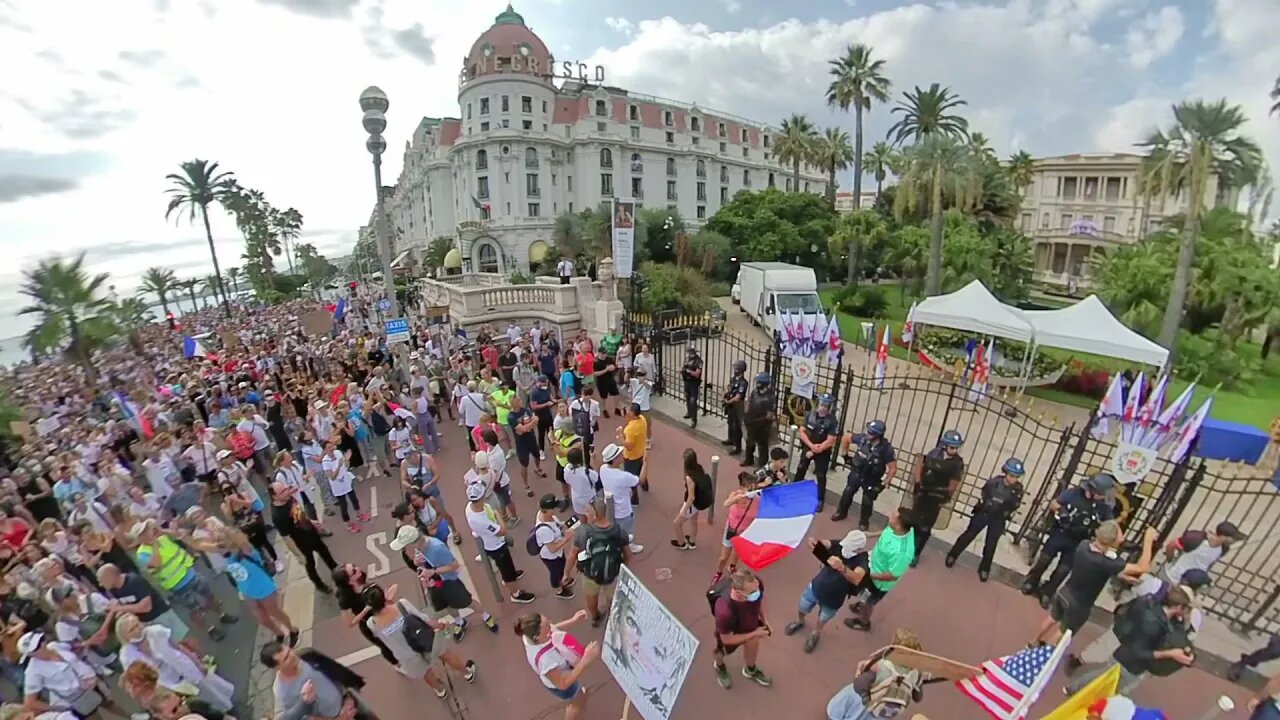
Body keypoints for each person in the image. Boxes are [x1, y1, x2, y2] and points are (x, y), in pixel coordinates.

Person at [1031, 520, 1158, 648]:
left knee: (1052, 618)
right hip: (1079, 606)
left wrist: (1121, 574)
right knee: (1063, 632)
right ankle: (1044, 656)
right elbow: (1143, 567)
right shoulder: (1106, 562)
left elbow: (1098, 570)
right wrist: (1148, 541)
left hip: (1065, 592)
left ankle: (1033, 641)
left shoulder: (1084, 545)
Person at [1064, 585, 1196, 696]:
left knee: (1100, 676)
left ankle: (1073, 689)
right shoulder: (1155, 625)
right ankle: (1078, 695)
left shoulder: (1148, 604)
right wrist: (1170, 654)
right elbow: (1139, 652)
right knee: (1108, 688)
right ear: (1179, 606)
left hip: (1122, 650)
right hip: (1129, 665)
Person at [361, 583, 478, 699]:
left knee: (425, 672)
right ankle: (467, 673)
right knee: (446, 655)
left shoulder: (372, 623)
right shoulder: (402, 605)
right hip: (426, 640)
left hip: (407, 655)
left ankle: (440, 691)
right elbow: (423, 618)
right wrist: (438, 625)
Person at [130, 518, 236, 641]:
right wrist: (153, 543)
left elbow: (178, 535)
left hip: (191, 574)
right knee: (195, 610)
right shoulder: (142, 554)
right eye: (143, 532)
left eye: (147, 529)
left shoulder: (162, 538)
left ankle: (222, 615)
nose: (148, 532)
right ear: (139, 538)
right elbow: (157, 563)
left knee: (210, 596)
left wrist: (162, 530)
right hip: (177, 585)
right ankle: (210, 629)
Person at [390, 523, 499, 635]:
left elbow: (454, 565)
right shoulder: (415, 550)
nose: (404, 550)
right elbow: (420, 565)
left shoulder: (437, 548)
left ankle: (485, 616)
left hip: (449, 582)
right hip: (434, 584)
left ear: (414, 543)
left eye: (405, 547)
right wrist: (416, 563)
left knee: (468, 602)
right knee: (447, 605)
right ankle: (460, 622)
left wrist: (433, 571)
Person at [786, 530, 870, 654]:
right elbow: (825, 544)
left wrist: (842, 568)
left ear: (858, 549)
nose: (843, 548)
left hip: (834, 598)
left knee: (823, 618)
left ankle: (815, 633)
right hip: (816, 586)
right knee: (802, 606)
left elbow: (857, 578)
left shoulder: (862, 560)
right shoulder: (841, 545)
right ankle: (800, 621)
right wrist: (814, 543)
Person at [945, 457, 1026, 581]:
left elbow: (1015, 504)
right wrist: (986, 505)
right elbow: (984, 493)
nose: (1013, 479)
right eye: (1011, 475)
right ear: (1005, 472)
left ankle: (984, 568)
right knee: (968, 535)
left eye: (1016, 476)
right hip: (984, 513)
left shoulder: (1018, 489)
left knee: (991, 544)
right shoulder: (994, 482)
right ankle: (953, 555)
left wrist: (1004, 511)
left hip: (998, 518)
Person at [220, 527, 300, 648]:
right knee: (261, 619)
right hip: (247, 591)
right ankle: (279, 633)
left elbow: (240, 541)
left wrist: (229, 535)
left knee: (275, 612)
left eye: (225, 539)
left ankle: (293, 631)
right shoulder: (228, 554)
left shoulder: (245, 550)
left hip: (263, 588)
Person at [514, 611, 600, 719]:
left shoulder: (528, 635)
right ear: (538, 636)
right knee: (578, 703)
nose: (550, 623)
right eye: (547, 625)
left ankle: (574, 699)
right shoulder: (547, 660)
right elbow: (562, 684)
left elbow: (553, 629)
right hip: (561, 685)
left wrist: (573, 620)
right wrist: (586, 660)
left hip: (560, 675)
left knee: (577, 696)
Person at [825, 629, 926, 720]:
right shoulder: (916, 673)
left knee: (847, 702)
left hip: (866, 704)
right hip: (883, 711)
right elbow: (918, 698)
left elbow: (858, 686)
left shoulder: (882, 665)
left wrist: (861, 672)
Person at [262, 640, 374, 720]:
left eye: (289, 651)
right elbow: (304, 716)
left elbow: (333, 669)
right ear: (276, 668)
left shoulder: (307, 655)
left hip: (349, 700)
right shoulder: (283, 691)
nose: (291, 656)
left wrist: (349, 695)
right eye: (285, 659)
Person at [846, 507, 916, 632]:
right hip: (872, 565)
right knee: (864, 592)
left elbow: (892, 575)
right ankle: (861, 603)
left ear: (899, 525)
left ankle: (864, 622)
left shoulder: (902, 552)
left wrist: (870, 576)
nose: (890, 515)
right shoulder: (899, 529)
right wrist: (871, 535)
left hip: (879, 582)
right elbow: (887, 531)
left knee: (869, 602)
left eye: (894, 516)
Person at [464, 483, 536, 604]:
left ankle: (510, 576)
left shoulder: (471, 506)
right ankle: (515, 593)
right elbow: (503, 531)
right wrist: (498, 516)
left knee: (508, 567)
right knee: (506, 570)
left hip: (497, 542)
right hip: (496, 546)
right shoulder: (480, 520)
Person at [571, 493, 631, 627]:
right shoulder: (617, 530)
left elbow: (572, 555)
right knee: (612, 598)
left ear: (594, 513)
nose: (585, 513)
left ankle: (595, 616)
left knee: (591, 598)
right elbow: (628, 553)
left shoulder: (583, 531)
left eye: (587, 510)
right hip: (613, 572)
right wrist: (622, 569)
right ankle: (611, 617)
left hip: (590, 574)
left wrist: (566, 573)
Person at [16, 630, 107, 717]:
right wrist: (57, 708)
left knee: (110, 704)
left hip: (94, 681)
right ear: (30, 654)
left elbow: (72, 648)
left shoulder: (54, 646)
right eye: (37, 647)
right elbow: (30, 703)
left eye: (41, 640)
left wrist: (86, 643)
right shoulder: (33, 672)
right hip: (79, 698)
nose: (43, 645)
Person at [269, 481, 338, 595]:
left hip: (310, 532)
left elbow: (299, 512)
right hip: (301, 542)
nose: (287, 492)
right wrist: (299, 555)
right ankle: (319, 585)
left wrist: (312, 522)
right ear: (274, 496)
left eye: (286, 489)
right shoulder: (278, 515)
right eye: (282, 491)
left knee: (324, 552)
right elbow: (286, 538)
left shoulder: (288, 498)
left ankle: (336, 572)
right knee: (310, 564)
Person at [97, 561, 192, 642]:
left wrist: (119, 608)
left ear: (110, 577)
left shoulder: (134, 581)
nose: (100, 584)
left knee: (183, 640)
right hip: (147, 623)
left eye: (101, 580)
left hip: (161, 615)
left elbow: (146, 607)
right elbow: (121, 604)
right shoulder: (114, 590)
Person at [909, 429, 965, 566]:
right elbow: (920, 466)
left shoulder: (957, 464)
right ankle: (907, 548)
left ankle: (916, 553)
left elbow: (954, 483)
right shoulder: (934, 453)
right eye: (952, 447)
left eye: (957, 447)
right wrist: (917, 483)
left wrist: (945, 496)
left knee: (925, 527)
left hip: (936, 496)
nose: (954, 450)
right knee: (914, 522)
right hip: (923, 492)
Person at [710, 568, 772, 689]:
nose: (757, 591)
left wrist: (764, 620)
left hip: (750, 626)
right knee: (720, 651)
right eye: (753, 591)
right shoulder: (724, 611)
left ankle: (751, 670)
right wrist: (754, 634)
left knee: (753, 646)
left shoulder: (756, 585)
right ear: (738, 593)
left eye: (757, 586)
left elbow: (758, 602)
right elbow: (726, 639)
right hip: (731, 631)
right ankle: (719, 666)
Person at [832, 420, 897, 528]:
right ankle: (841, 512)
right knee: (848, 492)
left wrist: (883, 484)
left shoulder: (886, 449)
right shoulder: (862, 438)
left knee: (867, 500)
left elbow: (892, 469)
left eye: (871, 433)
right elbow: (846, 438)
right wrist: (845, 456)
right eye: (868, 431)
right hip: (857, 472)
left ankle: (864, 522)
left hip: (872, 477)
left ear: (878, 435)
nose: (867, 433)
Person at [794, 394, 840, 510]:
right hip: (809, 446)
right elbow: (802, 432)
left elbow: (831, 439)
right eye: (822, 404)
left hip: (823, 451)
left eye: (826, 405)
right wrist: (811, 446)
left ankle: (820, 499)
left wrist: (818, 449)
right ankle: (794, 490)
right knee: (801, 468)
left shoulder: (832, 421)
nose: (823, 407)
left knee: (821, 475)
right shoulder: (810, 415)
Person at [530, 494, 576, 599]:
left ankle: (564, 579)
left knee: (563, 566)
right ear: (548, 510)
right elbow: (552, 548)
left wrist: (563, 524)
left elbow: (556, 524)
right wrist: (567, 538)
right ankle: (559, 590)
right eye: (554, 507)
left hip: (558, 553)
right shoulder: (544, 530)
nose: (556, 509)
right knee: (555, 572)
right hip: (551, 556)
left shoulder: (547, 516)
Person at [599, 444, 643, 554]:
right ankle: (628, 547)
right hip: (623, 511)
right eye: (619, 454)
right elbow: (640, 480)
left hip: (611, 509)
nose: (622, 455)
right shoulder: (623, 476)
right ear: (614, 459)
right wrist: (645, 462)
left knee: (615, 530)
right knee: (627, 532)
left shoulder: (603, 469)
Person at [671, 449, 715, 550]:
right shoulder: (699, 468)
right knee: (694, 522)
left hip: (692, 504)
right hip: (699, 501)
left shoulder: (689, 478)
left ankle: (681, 543)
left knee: (676, 523)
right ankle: (692, 541)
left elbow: (691, 497)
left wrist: (683, 511)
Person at [321, 438, 366, 532]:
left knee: (354, 499)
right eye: (329, 448)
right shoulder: (325, 462)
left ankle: (359, 515)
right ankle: (349, 525)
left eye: (332, 446)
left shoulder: (338, 452)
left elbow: (346, 466)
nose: (332, 449)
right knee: (344, 506)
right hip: (337, 487)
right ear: (325, 450)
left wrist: (347, 460)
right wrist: (339, 465)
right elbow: (332, 477)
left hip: (346, 481)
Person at [741, 372, 775, 468]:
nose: (757, 384)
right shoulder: (754, 392)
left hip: (762, 426)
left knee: (762, 447)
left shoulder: (769, 397)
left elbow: (769, 416)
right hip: (751, 423)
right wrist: (746, 415)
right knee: (749, 442)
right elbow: (749, 402)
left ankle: (762, 467)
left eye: (758, 382)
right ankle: (748, 459)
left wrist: (756, 420)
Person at [617, 403, 648, 504]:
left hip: (631, 457)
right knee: (641, 471)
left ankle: (635, 498)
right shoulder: (642, 419)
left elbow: (629, 446)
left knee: (632, 478)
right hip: (641, 452)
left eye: (629, 410)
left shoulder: (630, 430)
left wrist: (621, 436)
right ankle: (645, 486)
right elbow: (629, 421)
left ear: (632, 413)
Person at [722, 360, 749, 456]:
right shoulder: (733, 379)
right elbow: (728, 388)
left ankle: (737, 447)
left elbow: (738, 397)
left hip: (737, 407)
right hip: (730, 406)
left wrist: (729, 401)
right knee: (730, 423)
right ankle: (730, 439)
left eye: (736, 368)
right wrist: (725, 394)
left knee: (736, 427)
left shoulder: (743, 383)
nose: (734, 370)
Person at [680, 347, 703, 428]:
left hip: (694, 383)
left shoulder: (698, 361)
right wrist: (682, 370)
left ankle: (694, 419)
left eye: (691, 352)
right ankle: (689, 412)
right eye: (689, 352)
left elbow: (697, 374)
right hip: (687, 381)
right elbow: (683, 367)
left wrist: (689, 371)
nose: (689, 354)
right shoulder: (687, 359)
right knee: (687, 397)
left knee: (693, 401)